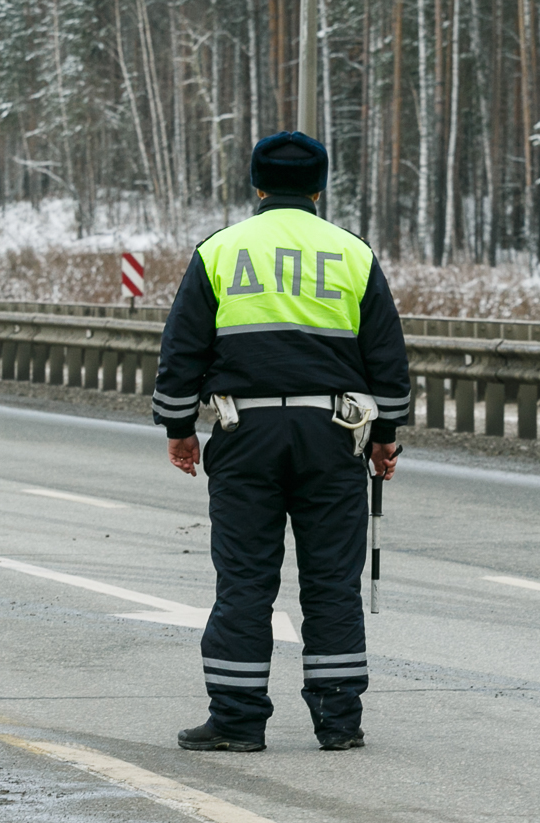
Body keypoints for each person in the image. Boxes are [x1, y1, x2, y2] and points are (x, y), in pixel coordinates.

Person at [153, 131, 410, 752]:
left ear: (257, 185)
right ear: (320, 187)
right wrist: (385, 434)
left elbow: (183, 348)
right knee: (331, 581)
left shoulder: (219, 250)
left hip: (247, 432)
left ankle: (237, 722)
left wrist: (180, 427)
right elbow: (386, 356)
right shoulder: (352, 252)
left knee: (244, 580)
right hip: (334, 434)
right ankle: (339, 722)